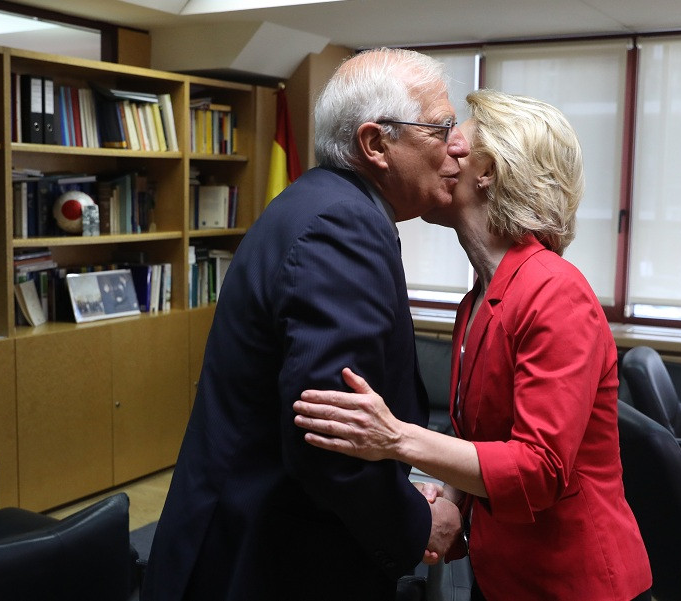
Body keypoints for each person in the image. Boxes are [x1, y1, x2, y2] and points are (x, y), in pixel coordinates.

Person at [294, 89, 653, 601]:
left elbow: (538, 471)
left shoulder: (555, 291)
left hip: (574, 582)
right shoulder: (480, 297)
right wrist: (444, 502)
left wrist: (397, 438)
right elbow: (476, 438)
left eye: (455, 138)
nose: (443, 150)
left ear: (487, 170)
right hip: (501, 571)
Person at [139, 48, 468, 601]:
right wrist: (415, 524)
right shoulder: (342, 226)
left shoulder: (323, 203)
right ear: (375, 144)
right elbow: (329, 439)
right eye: (440, 128)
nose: (457, 144)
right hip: (269, 558)